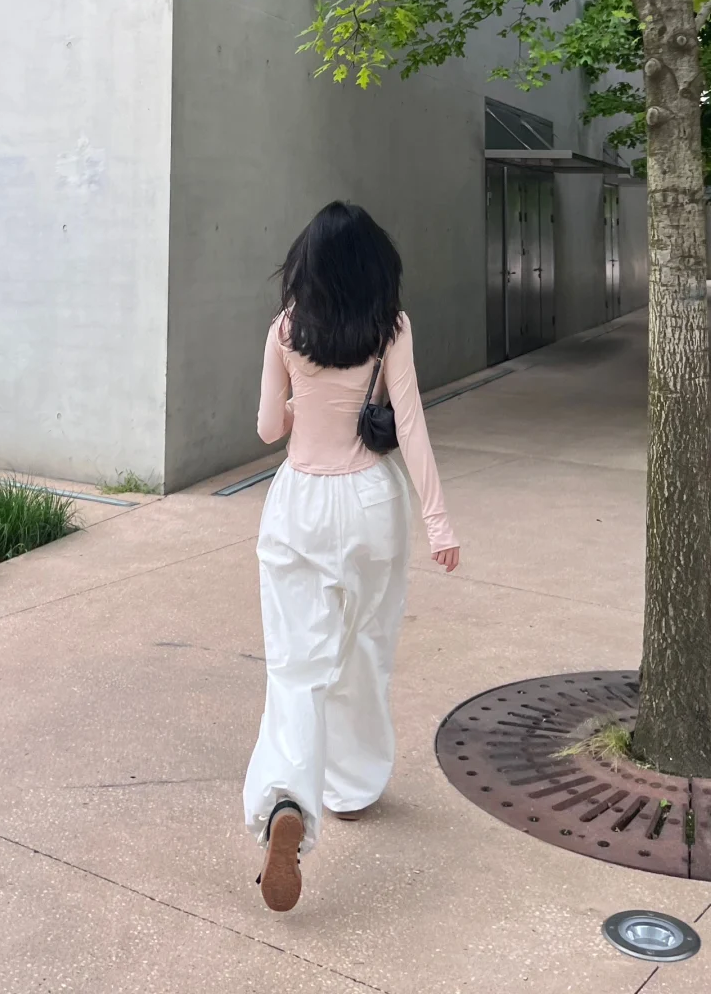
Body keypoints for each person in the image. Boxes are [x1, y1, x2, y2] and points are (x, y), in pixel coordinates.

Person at [243, 201, 459, 912]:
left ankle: (287, 801)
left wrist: (304, 404)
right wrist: (439, 523)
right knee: (364, 649)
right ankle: (353, 787)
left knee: (294, 665)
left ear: (305, 265)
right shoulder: (390, 328)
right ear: (375, 266)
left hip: (298, 505)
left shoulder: (285, 329)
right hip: (370, 503)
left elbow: (268, 429)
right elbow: (413, 425)